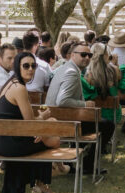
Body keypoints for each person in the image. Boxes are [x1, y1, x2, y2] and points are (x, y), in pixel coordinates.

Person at [0, 51, 61, 193]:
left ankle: (39, 183)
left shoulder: (11, 83)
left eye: (33, 66)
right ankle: (42, 183)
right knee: (52, 140)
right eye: (26, 66)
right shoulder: (19, 88)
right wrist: (43, 116)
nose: (30, 69)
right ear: (18, 67)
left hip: (2, 140)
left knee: (47, 132)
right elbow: (30, 123)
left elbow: (26, 123)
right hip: (10, 143)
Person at [45, 42, 110, 173]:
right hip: (61, 123)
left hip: (62, 118)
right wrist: (85, 104)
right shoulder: (71, 72)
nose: (87, 58)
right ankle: (88, 165)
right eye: (83, 54)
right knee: (108, 125)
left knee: (99, 123)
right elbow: (62, 100)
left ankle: (74, 159)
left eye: (89, 55)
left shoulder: (67, 68)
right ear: (72, 55)